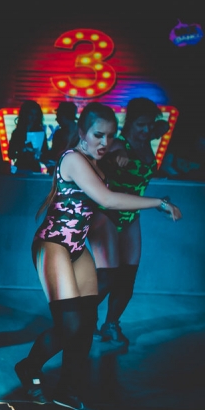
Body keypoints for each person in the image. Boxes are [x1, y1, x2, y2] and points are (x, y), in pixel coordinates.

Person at [13, 102, 181, 410]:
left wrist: (119, 159)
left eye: (110, 136)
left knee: (87, 323)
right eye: (98, 135)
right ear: (82, 132)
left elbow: (111, 186)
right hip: (53, 244)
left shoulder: (96, 161)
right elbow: (106, 199)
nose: (105, 142)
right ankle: (28, 367)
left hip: (77, 248)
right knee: (70, 325)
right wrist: (158, 202)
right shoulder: (74, 159)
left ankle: (68, 390)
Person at [87, 98, 170, 346]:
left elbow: (163, 126)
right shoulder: (117, 143)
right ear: (129, 122)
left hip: (132, 215)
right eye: (140, 124)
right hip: (107, 213)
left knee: (127, 277)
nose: (146, 129)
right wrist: (117, 153)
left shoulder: (148, 138)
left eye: (149, 125)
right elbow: (101, 154)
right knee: (108, 276)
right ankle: (79, 319)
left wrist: (154, 126)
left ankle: (111, 324)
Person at [9, 100, 49, 174]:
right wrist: (21, 151)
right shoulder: (17, 132)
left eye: (35, 114)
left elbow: (45, 153)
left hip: (34, 167)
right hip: (21, 167)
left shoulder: (40, 133)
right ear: (25, 114)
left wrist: (39, 154)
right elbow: (10, 154)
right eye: (31, 114)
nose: (33, 117)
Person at [47, 101, 78, 170]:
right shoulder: (58, 134)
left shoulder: (81, 135)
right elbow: (53, 154)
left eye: (58, 116)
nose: (56, 119)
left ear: (65, 116)